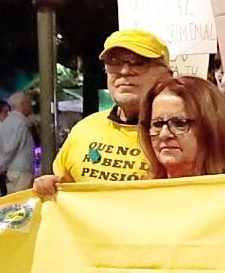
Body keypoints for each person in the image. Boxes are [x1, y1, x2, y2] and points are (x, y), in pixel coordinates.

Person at [37, 30, 167, 193]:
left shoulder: (180, 133)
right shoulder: (85, 129)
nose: (125, 71)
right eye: (114, 62)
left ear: (166, 74)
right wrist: (49, 186)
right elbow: (63, 185)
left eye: (139, 62)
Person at [0, 91, 38, 193]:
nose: (30, 106)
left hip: (17, 170)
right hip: (19, 172)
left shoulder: (10, 121)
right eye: (28, 103)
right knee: (18, 205)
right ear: (22, 105)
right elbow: (10, 149)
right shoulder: (18, 122)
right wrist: (0, 168)